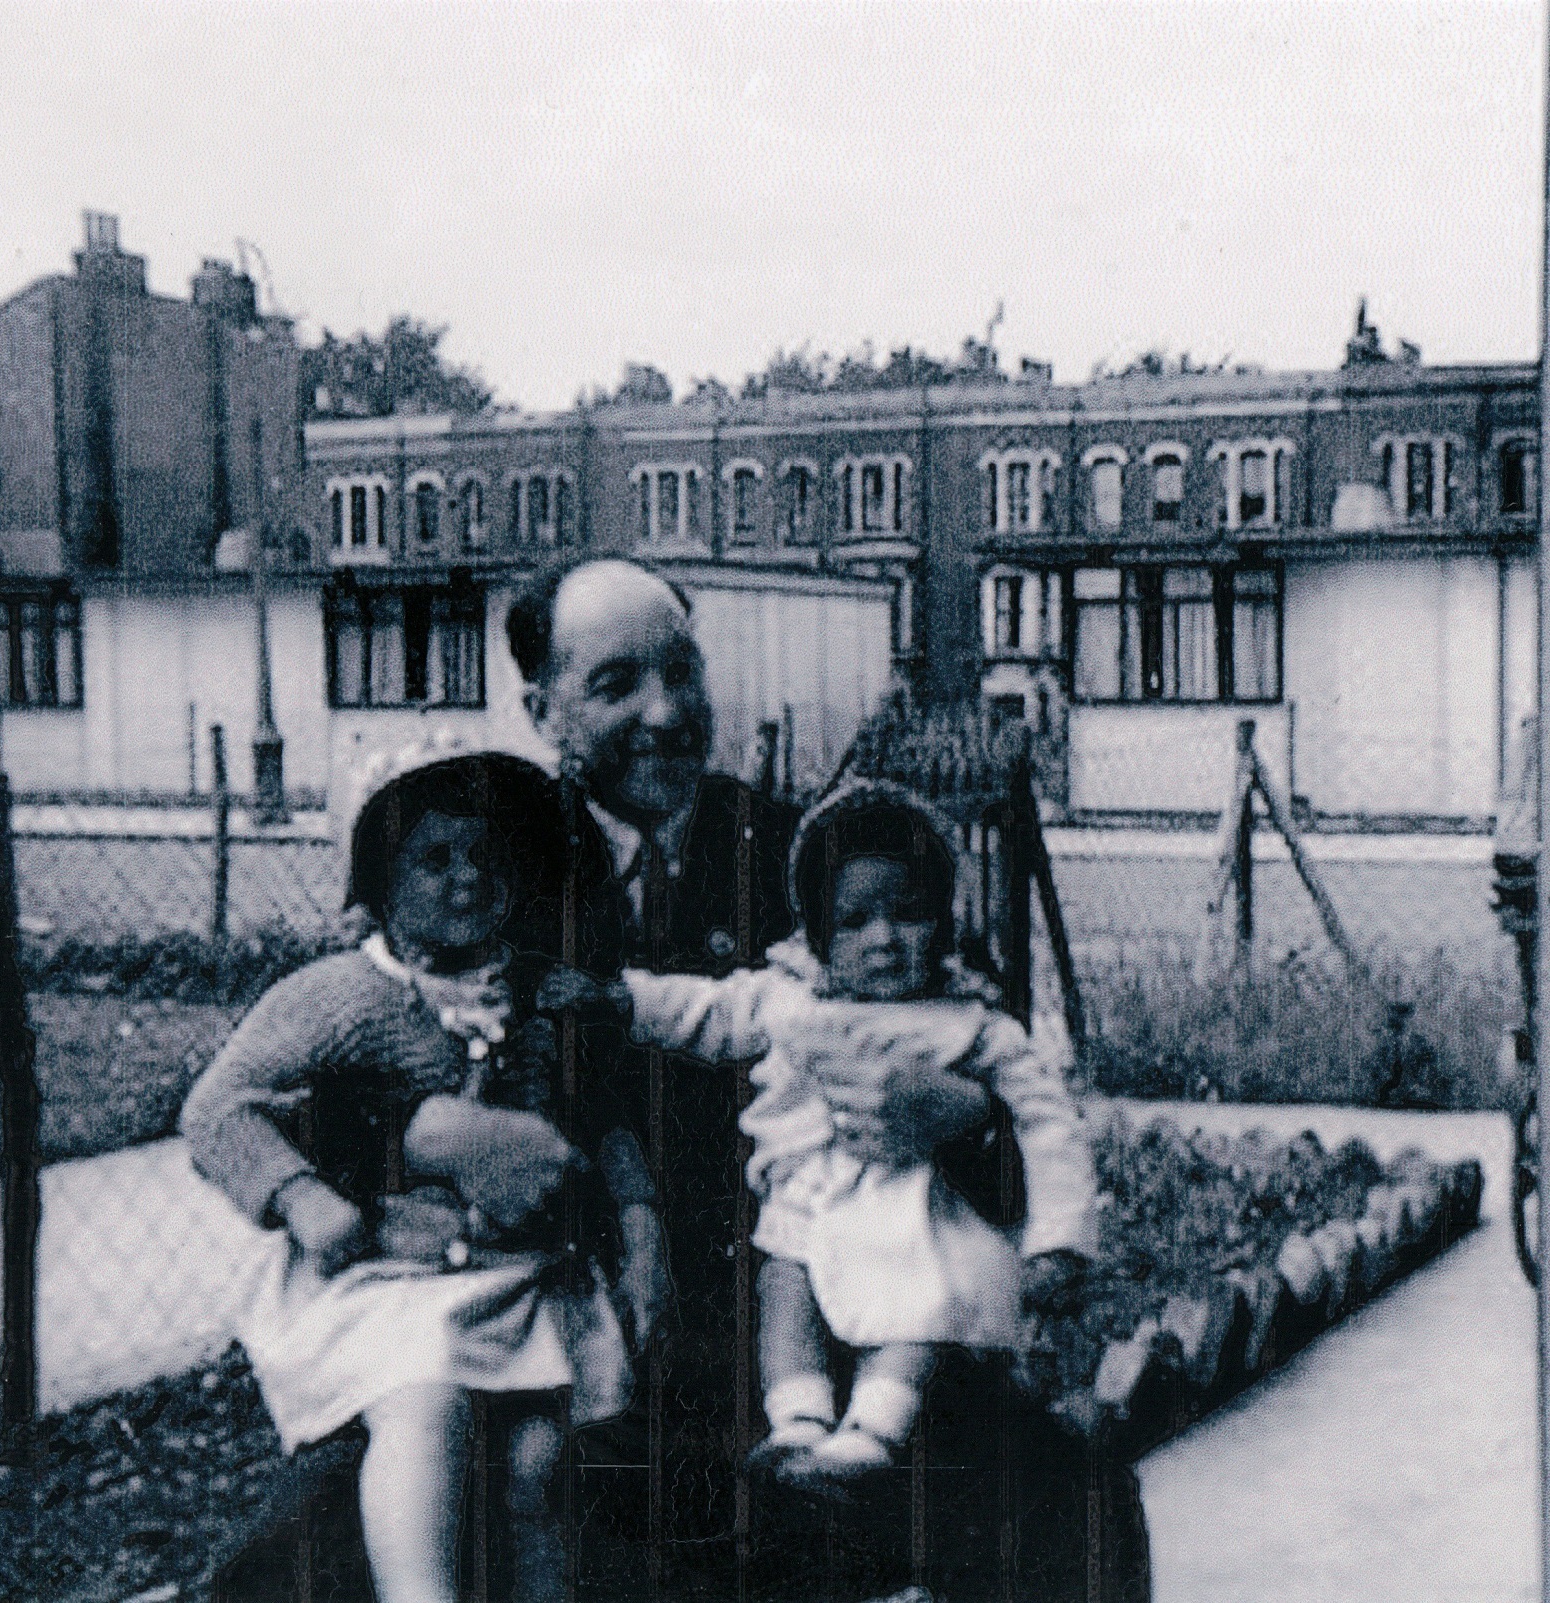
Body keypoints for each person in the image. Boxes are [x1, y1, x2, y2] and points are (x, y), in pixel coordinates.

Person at [509, 555, 1149, 1602]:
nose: (665, 713)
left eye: (683, 671)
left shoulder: (807, 846)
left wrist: (962, 1114)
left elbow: (979, 1019)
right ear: (543, 710)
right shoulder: (497, 873)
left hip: (866, 1287)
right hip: (640, 1329)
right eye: (615, 684)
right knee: (635, 1520)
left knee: (1071, 1492)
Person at [181, 747, 662, 1603]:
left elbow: (609, 1120)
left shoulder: (545, 995)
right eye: (433, 859)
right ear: (375, 882)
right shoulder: (338, 996)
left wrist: (641, 1230)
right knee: (423, 1400)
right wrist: (302, 1195)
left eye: (485, 857)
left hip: (522, 1279)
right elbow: (218, 1108)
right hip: (390, 1279)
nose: (467, 879)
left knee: (538, 1460)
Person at [545, 781, 1098, 1487]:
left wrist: (1059, 1237)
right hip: (808, 1199)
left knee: (920, 1303)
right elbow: (708, 1008)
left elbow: (1050, 1127)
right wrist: (621, 997)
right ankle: (798, 1415)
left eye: (909, 914)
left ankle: (877, 1424)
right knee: (782, 1285)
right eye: (855, 921)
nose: (884, 938)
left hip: (917, 1206)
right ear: (815, 932)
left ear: (944, 919)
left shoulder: (974, 1021)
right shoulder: (790, 996)